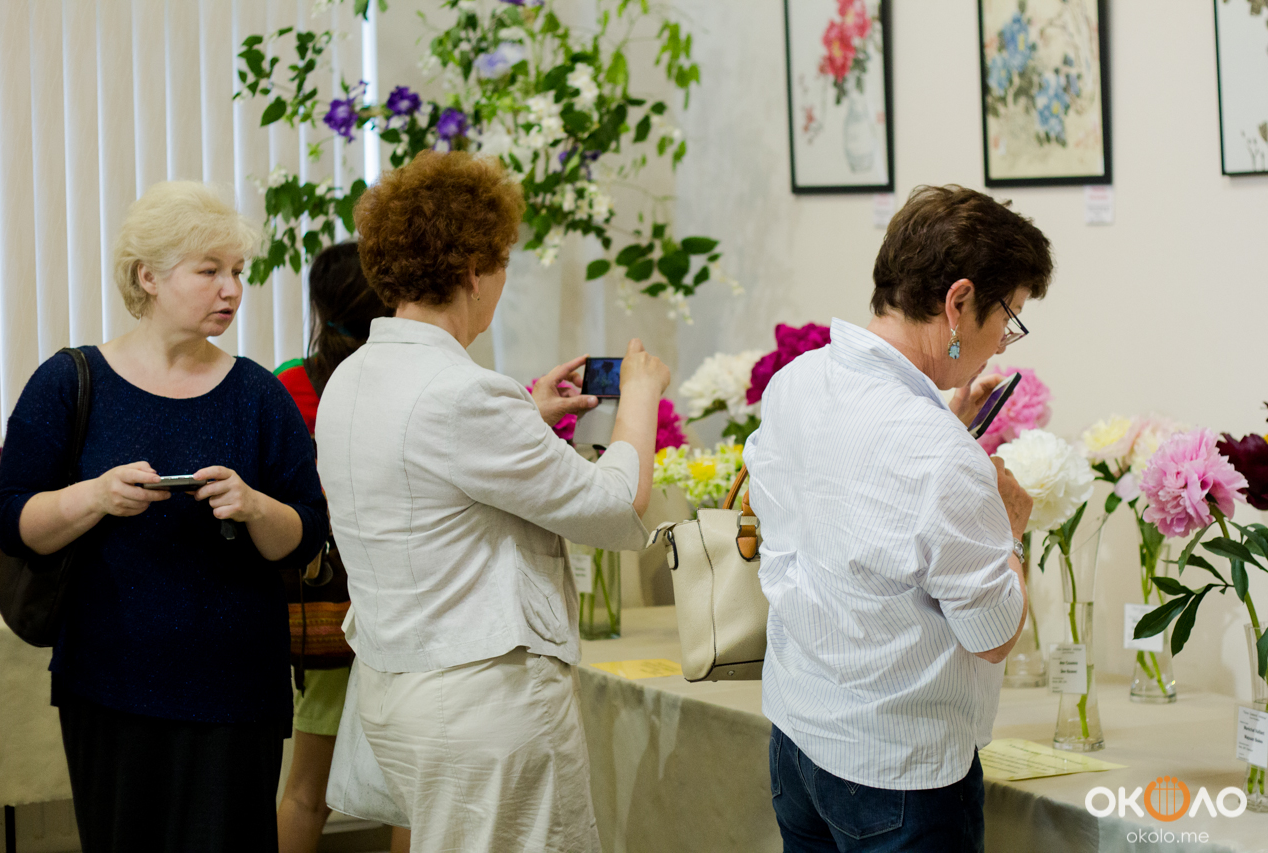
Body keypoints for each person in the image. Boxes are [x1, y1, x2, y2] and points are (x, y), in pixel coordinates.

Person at [315, 150, 670, 853]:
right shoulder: (465, 394)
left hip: (398, 689)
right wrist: (640, 396)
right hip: (481, 700)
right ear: (475, 271)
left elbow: (424, 472)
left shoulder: (352, 378)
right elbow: (619, 508)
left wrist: (524, 416)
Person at [0, 182, 329, 853]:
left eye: (237, 271)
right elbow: (10, 520)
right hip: (109, 685)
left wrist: (255, 506)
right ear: (148, 276)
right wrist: (94, 497)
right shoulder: (70, 382)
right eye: (209, 271)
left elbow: (306, 534)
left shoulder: (258, 394)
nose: (231, 289)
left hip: (238, 690)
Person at [744, 184, 1049, 852]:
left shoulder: (795, 382)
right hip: (899, 769)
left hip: (799, 733)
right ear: (958, 302)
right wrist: (1010, 530)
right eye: (1008, 316)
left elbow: (851, 504)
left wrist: (944, 425)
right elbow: (992, 634)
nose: (1003, 343)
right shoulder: (937, 453)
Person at [273, 243, 409, 853]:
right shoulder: (414, 380)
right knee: (413, 794)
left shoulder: (289, 384)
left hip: (326, 603)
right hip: (406, 600)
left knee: (307, 791)